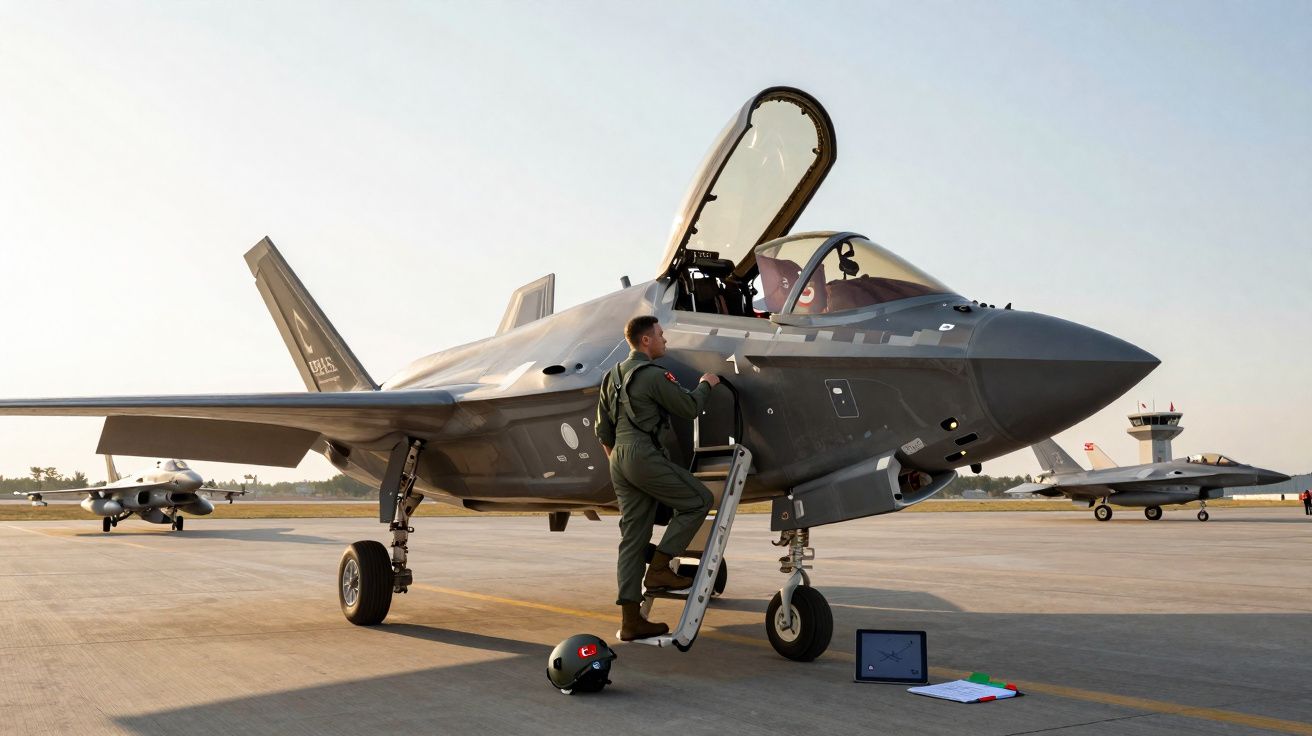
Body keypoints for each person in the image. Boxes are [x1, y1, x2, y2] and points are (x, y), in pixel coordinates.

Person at [596, 315, 720, 641]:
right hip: (642, 455)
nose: (665, 340)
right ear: (646, 340)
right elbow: (689, 407)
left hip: (618, 458)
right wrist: (707, 383)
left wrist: (622, 466)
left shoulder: (612, 376)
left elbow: (603, 431)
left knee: (633, 540)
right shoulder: (653, 375)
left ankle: (630, 621)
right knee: (699, 500)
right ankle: (660, 569)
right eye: (661, 334)